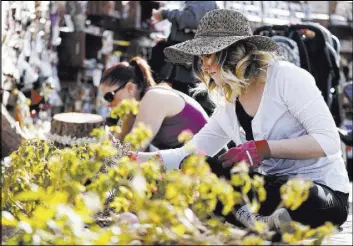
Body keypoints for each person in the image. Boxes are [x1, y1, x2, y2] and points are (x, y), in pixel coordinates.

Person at [132, 9, 350, 231]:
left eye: (208, 56)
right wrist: (132, 158)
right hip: (271, 191)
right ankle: (257, 220)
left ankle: (248, 218)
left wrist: (262, 149)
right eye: (201, 59)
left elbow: (328, 141)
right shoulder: (228, 104)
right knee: (197, 166)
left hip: (323, 193)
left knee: (304, 196)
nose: (204, 66)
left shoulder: (286, 77)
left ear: (232, 53)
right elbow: (187, 154)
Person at [99, 56, 209, 151]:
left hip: (211, 165)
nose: (108, 104)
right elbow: (116, 146)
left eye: (109, 97)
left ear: (130, 88)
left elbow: (132, 151)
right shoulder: (135, 107)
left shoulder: (153, 98)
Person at [149, 1, 218, 116]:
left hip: (189, 75)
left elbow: (192, 20)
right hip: (183, 72)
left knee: (187, 113)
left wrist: (165, 14)